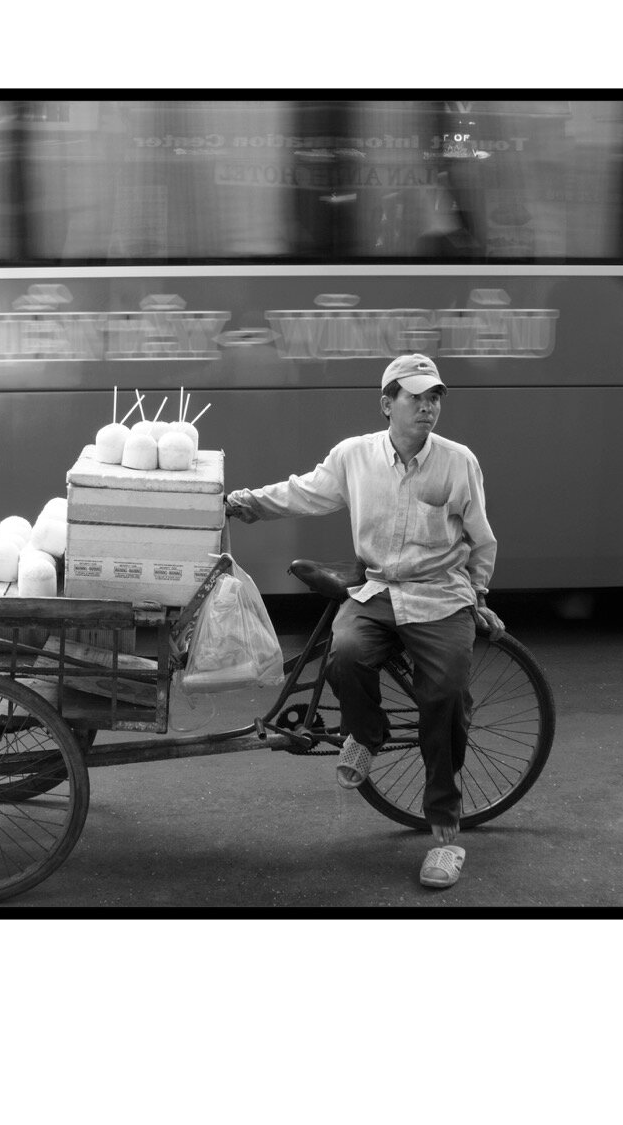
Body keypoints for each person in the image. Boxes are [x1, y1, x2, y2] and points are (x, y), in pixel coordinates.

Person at [225, 353, 504, 890]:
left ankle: (446, 831)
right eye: (415, 397)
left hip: (441, 597)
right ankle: (366, 735)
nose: (428, 406)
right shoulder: (354, 456)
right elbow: (304, 491)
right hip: (377, 589)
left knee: (444, 697)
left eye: (435, 397)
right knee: (345, 653)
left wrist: (481, 593)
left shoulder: (458, 461)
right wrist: (245, 503)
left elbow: (481, 537)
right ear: (386, 404)